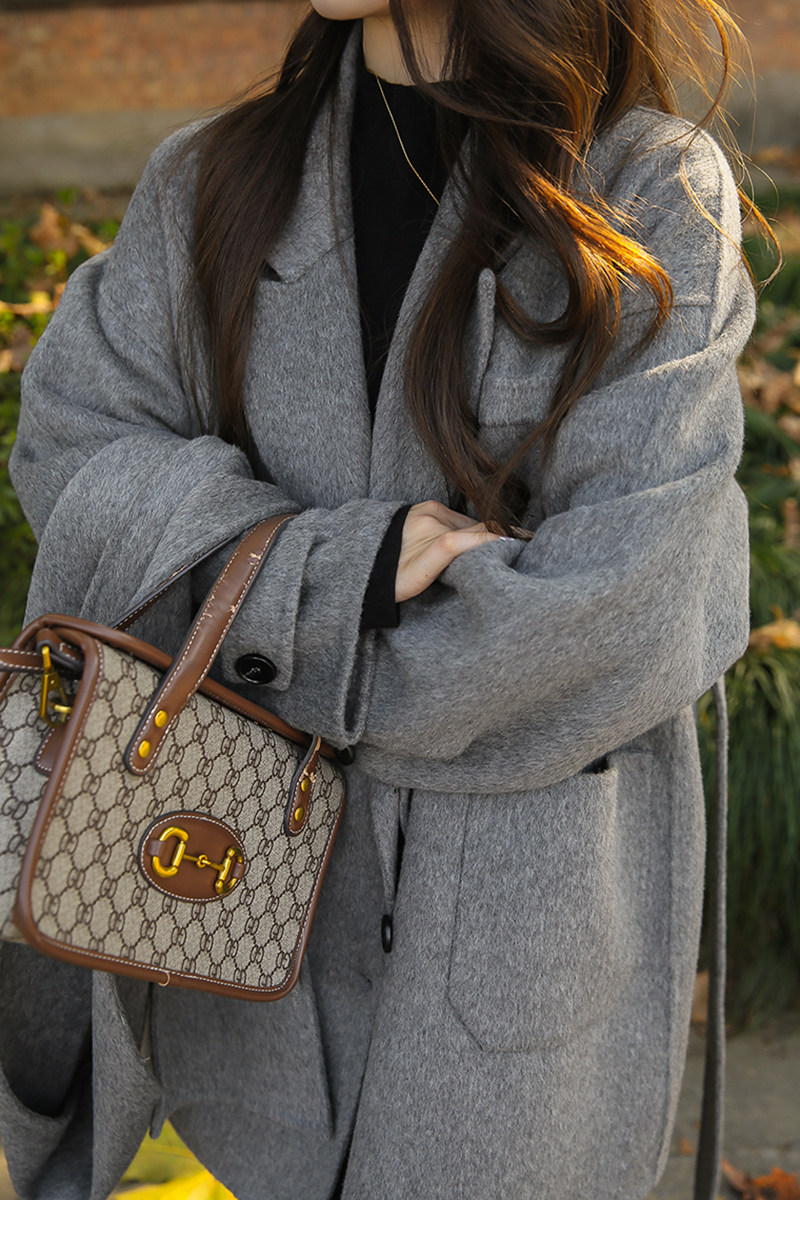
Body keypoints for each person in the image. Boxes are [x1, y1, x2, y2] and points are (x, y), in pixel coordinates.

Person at [0, 0, 760, 1199]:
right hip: (219, 937)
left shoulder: (647, 190)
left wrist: (262, 665)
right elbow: (71, 446)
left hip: (512, 950)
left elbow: (623, 606)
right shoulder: (209, 180)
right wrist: (327, 574)